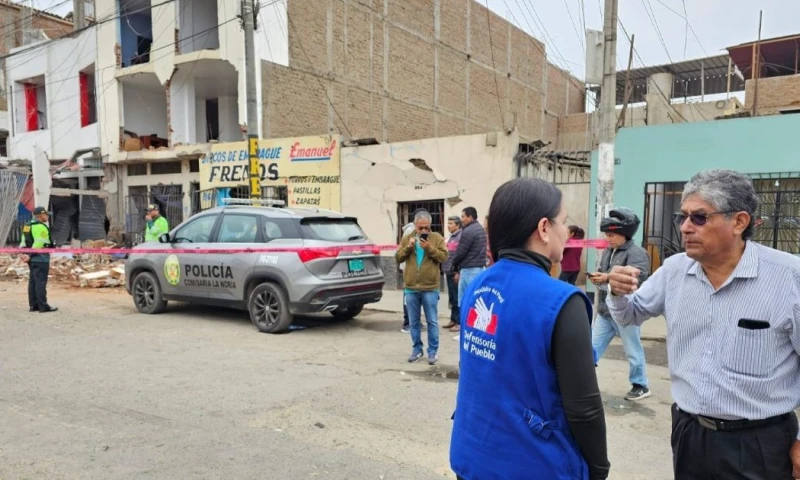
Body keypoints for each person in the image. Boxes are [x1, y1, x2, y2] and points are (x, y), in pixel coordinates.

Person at [606, 169, 800, 480]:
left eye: (699, 218)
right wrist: (617, 292)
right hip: (689, 435)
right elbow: (631, 315)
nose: (685, 227)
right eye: (681, 217)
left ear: (739, 222)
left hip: (760, 444)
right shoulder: (674, 271)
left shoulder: (788, 278)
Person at [450, 178, 609, 480]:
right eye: (563, 222)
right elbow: (584, 408)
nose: (566, 232)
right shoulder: (562, 301)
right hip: (531, 464)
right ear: (544, 228)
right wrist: (599, 469)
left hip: (472, 454)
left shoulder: (479, 284)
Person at [589, 209, 651, 401]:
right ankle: (581, 381)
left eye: (611, 235)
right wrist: (598, 279)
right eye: (606, 235)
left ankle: (640, 385)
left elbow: (638, 280)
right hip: (605, 312)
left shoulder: (637, 253)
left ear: (624, 234)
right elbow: (605, 276)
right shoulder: (608, 252)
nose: (608, 238)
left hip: (627, 312)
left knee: (633, 351)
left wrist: (607, 277)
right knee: (590, 348)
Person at [395, 210, 448, 365]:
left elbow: (444, 257)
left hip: (430, 287)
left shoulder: (437, 238)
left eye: (427, 228)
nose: (424, 231)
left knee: (432, 321)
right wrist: (408, 248)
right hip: (411, 287)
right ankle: (417, 349)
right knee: (413, 321)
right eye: (420, 228)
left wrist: (430, 248)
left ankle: (433, 352)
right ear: (415, 226)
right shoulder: (407, 238)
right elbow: (398, 257)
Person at [20, 206, 58, 313]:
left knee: (33, 282)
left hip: (31, 259)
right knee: (40, 282)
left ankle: (33, 305)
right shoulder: (41, 227)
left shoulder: (27, 226)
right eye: (46, 215)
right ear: (41, 215)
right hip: (40, 258)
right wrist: (30, 255)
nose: (47, 217)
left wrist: (24, 254)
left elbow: (23, 241)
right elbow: (39, 244)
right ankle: (43, 306)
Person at [451, 207, 488, 312]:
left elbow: (461, 251)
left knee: (465, 302)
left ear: (470, 217)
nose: (461, 219)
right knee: (476, 300)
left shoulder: (468, 231)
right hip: (479, 268)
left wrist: (453, 264)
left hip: (469, 269)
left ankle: (464, 325)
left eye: (463, 216)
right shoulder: (480, 229)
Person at [442, 216, 462, 332]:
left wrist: (457, 271)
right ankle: (453, 319)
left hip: (454, 271)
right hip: (448, 270)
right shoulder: (450, 237)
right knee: (452, 298)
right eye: (448, 223)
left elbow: (459, 255)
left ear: (457, 225)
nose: (448, 225)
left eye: (451, 223)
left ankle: (458, 322)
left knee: (456, 297)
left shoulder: (460, 237)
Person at [398, 220, 416, 334]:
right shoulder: (410, 231)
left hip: (413, 268)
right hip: (408, 268)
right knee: (408, 296)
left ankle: (414, 321)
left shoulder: (415, 230)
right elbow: (403, 250)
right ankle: (407, 323)